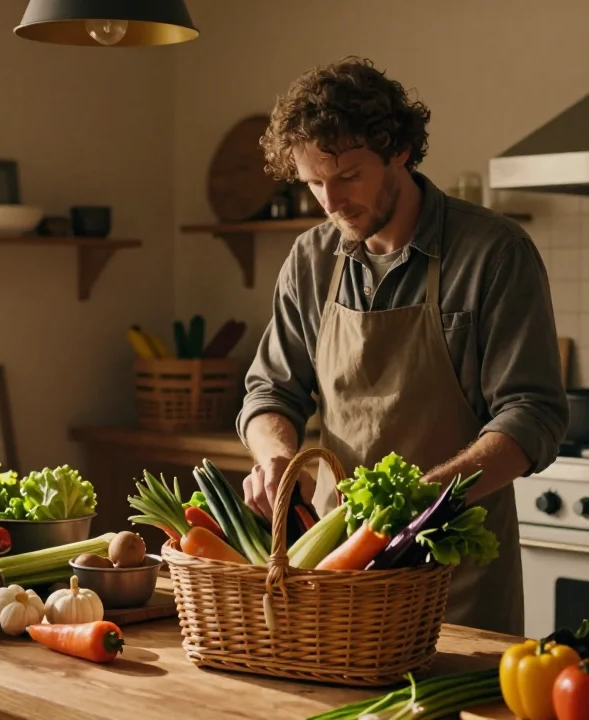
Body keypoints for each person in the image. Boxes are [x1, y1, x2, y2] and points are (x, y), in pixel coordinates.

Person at [237, 57, 569, 636]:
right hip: (336, 571)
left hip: (456, 577)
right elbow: (270, 390)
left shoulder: (494, 253)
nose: (331, 201)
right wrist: (273, 457)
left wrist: (422, 502)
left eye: (348, 176)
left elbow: (532, 414)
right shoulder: (311, 261)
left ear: (399, 151)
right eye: (314, 182)